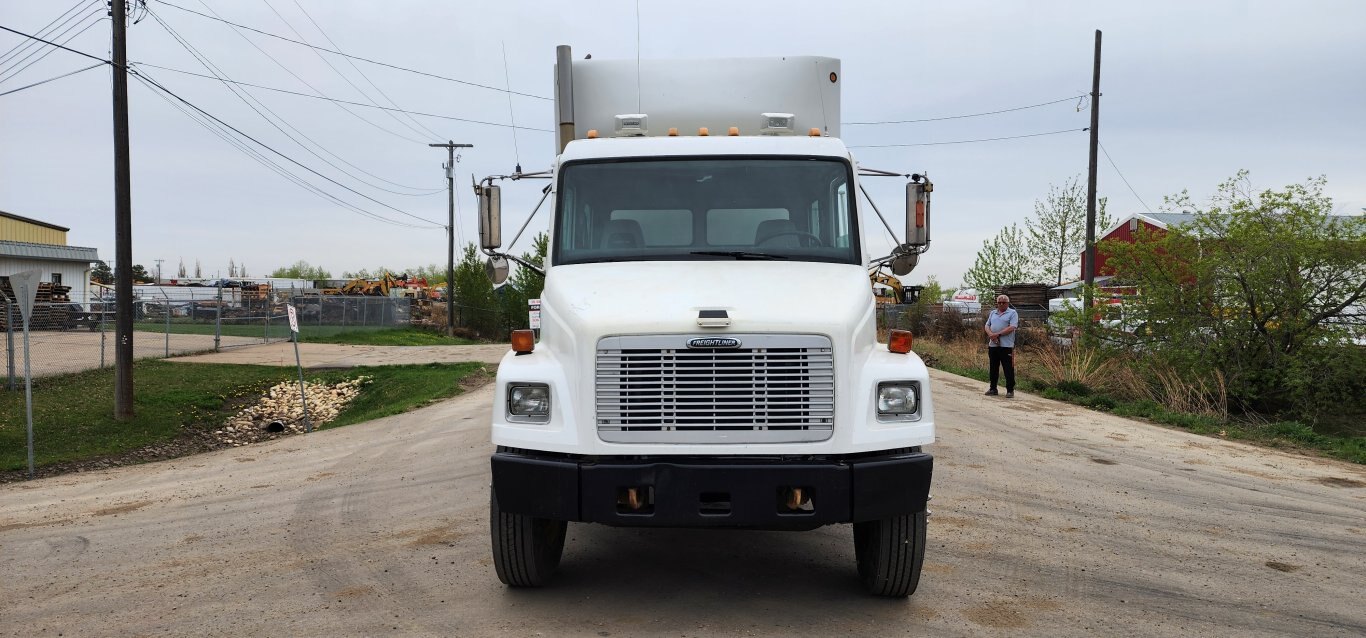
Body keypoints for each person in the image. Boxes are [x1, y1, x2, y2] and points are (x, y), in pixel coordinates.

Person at [984, 294, 1018, 398]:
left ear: (1008, 303)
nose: (1001, 304)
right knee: (993, 368)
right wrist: (991, 335)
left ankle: (1010, 390)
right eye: (999, 302)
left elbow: (1012, 327)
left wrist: (997, 334)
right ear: (997, 303)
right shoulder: (993, 313)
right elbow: (987, 325)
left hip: (1006, 346)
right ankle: (993, 388)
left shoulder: (1012, 313)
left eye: (1004, 302)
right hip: (993, 345)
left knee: (1008, 368)